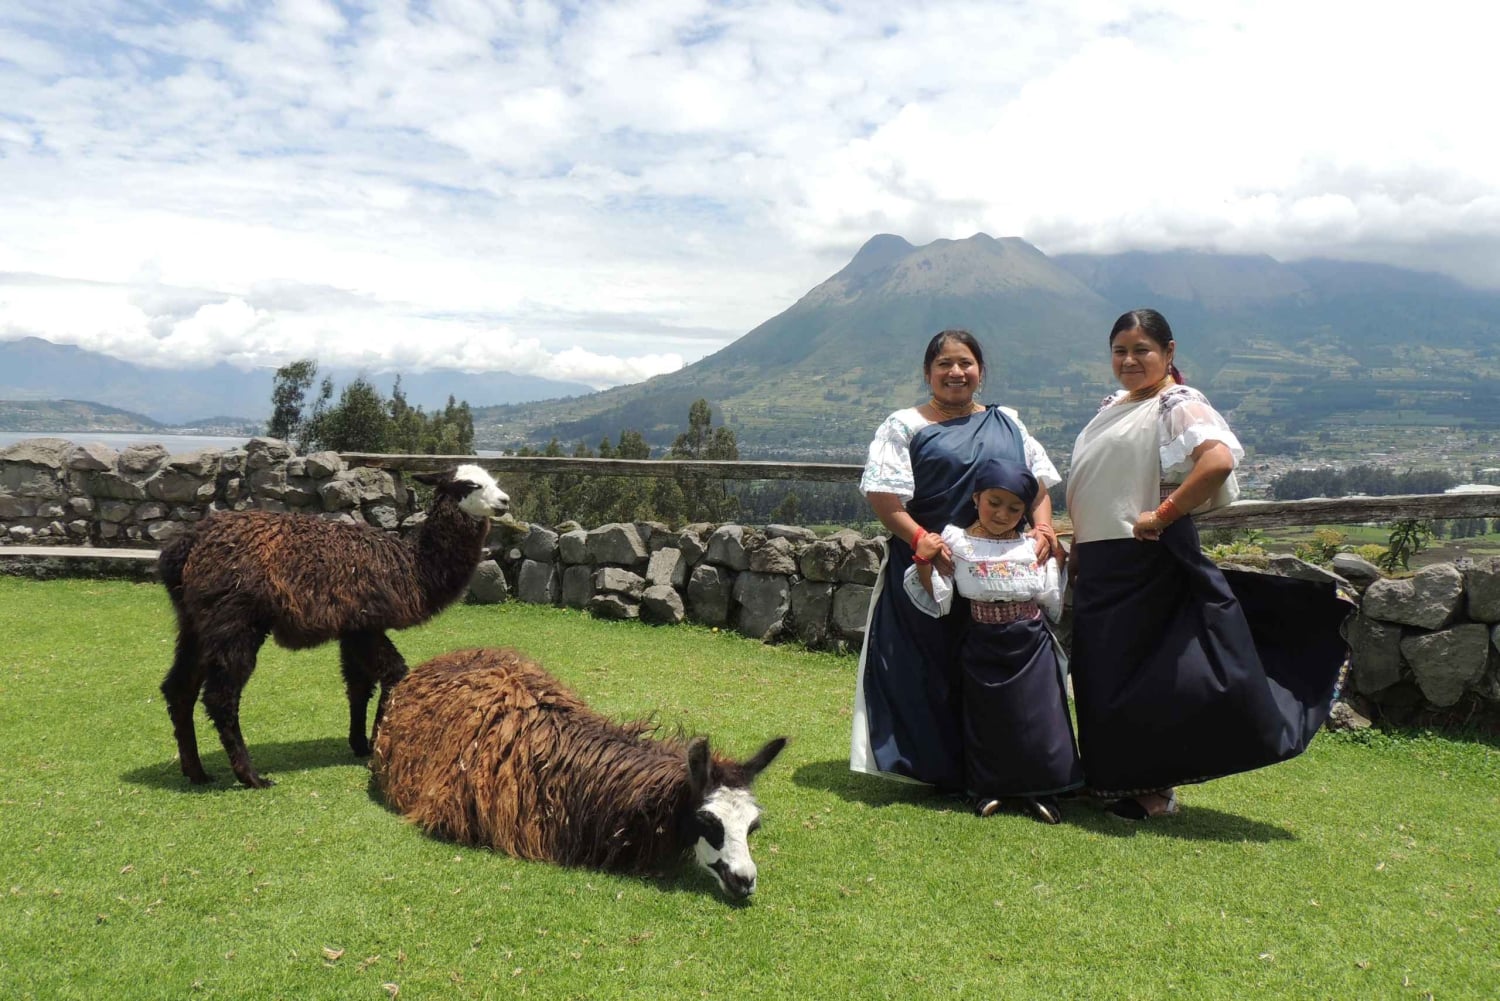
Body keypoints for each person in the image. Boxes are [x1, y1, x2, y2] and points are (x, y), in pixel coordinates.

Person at [1066, 308, 1351, 820]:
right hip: (1106, 558)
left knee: (1149, 675)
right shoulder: (1115, 403)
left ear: (1168, 353)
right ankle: (1111, 779)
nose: (1129, 360)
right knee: (1103, 671)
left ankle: (1155, 790)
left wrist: (1165, 513)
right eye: (1120, 351)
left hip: (1145, 558)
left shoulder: (1178, 401)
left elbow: (1217, 460)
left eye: (1141, 350)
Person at [851, 329, 1063, 797]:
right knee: (933, 670)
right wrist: (922, 539)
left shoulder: (1007, 421)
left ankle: (1015, 769)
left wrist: (1044, 528)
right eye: (945, 363)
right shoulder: (903, 425)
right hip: (933, 569)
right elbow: (884, 495)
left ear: (980, 372)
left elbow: (1038, 485)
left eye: (965, 363)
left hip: (1004, 576)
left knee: (1007, 674)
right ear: (927, 372)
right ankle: (942, 769)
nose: (956, 372)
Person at [904, 457, 1082, 822]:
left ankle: (1042, 790)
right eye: (994, 503)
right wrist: (924, 561)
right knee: (986, 717)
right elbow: (940, 594)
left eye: (1015, 508)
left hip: (1031, 642)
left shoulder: (1034, 545)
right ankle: (989, 788)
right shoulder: (957, 542)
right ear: (976, 499)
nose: (1002, 514)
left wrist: (1057, 558)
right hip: (981, 640)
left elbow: (1050, 597)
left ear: (1025, 511)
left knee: (1038, 717)